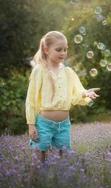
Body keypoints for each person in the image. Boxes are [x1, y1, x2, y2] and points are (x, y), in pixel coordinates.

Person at [25, 31, 100, 162]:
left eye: (65, 49)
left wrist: (85, 93)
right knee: (39, 158)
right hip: (44, 124)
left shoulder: (68, 72)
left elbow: (76, 94)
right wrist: (31, 124)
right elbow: (31, 100)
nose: (63, 53)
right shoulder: (40, 71)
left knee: (64, 157)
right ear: (46, 50)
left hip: (64, 125)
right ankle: (36, 181)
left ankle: (59, 182)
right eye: (59, 49)